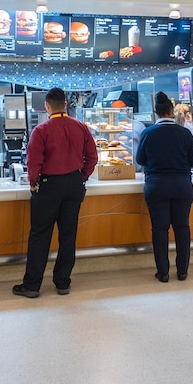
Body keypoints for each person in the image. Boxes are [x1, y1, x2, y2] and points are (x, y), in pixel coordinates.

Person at [12, 87, 98, 298]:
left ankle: (32, 285)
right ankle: (63, 282)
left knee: (40, 235)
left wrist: (33, 182)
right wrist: (82, 176)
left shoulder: (41, 130)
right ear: (65, 105)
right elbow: (92, 157)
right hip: (74, 185)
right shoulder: (81, 127)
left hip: (49, 185)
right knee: (68, 235)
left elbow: (33, 161)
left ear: (47, 106)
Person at [136, 91, 193, 282]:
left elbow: (140, 160)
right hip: (182, 185)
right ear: (171, 111)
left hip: (156, 185)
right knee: (182, 227)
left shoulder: (148, 133)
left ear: (156, 112)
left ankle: (163, 272)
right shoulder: (185, 133)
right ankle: (182, 271)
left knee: (159, 229)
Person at [111, 99, 145, 172]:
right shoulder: (111, 127)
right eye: (116, 111)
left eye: (121, 110)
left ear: (126, 110)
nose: (119, 113)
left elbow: (144, 146)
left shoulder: (138, 126)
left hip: (136, 167)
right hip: (115, 167)